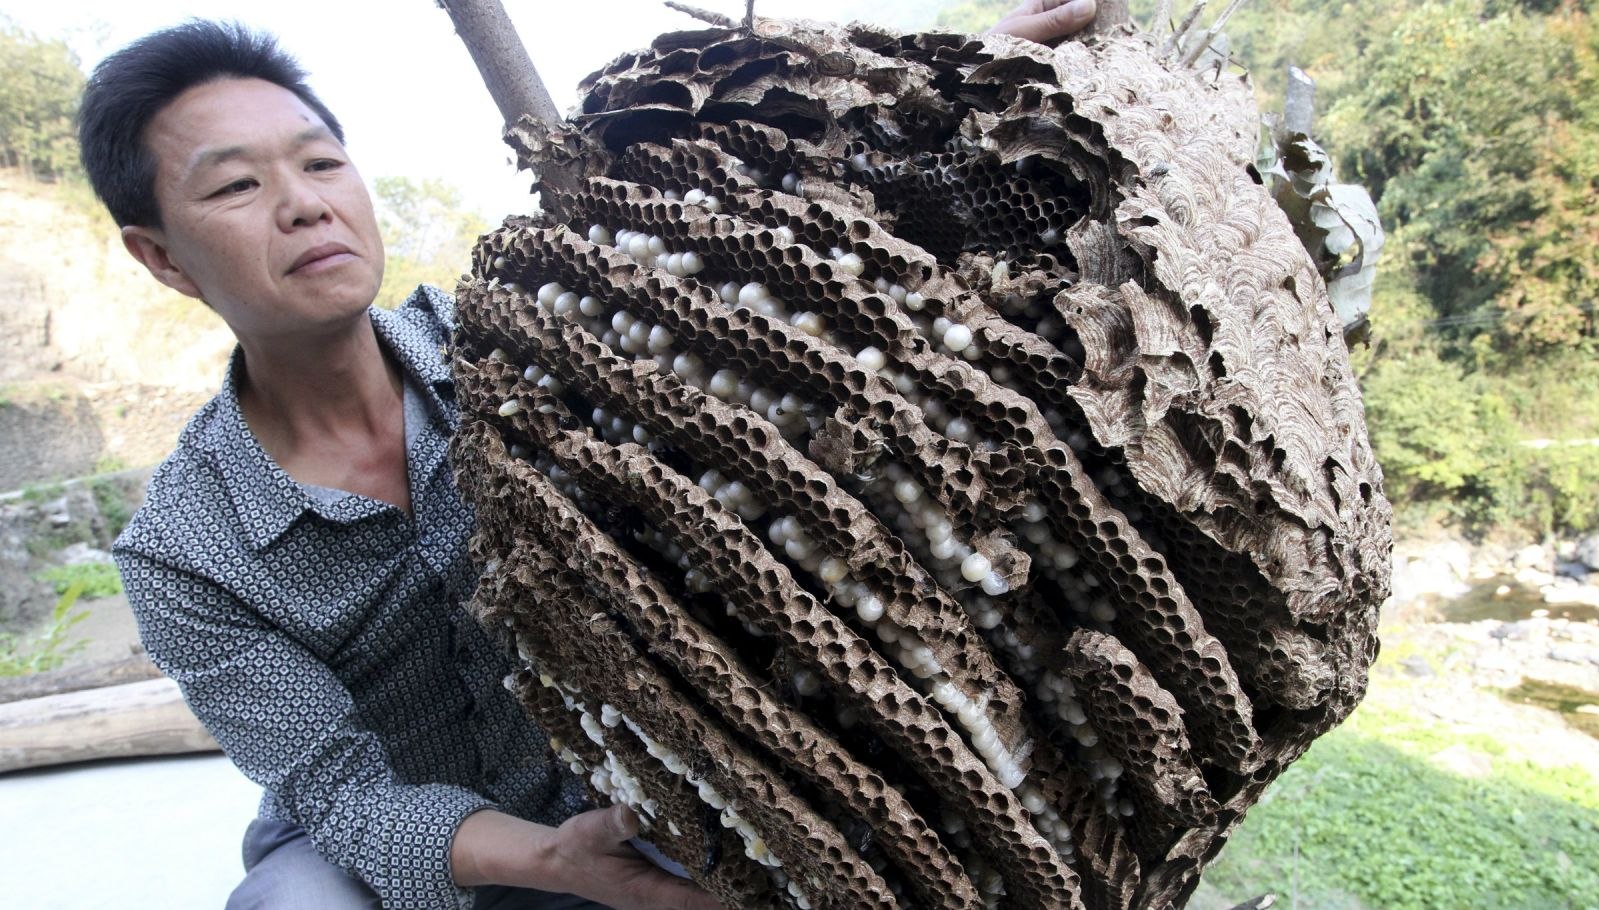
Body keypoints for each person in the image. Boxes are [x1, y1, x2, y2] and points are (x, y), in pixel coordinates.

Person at [84, 7, 1095, 910]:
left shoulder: (510, 337)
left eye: (319, 161)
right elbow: (347, 798)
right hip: (406, 865)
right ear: (162, 255)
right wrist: (556, 863)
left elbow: (737, 225)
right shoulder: (185, 554)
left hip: (612, 791)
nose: (302, 203)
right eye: (235, 184)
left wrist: (951, 75)